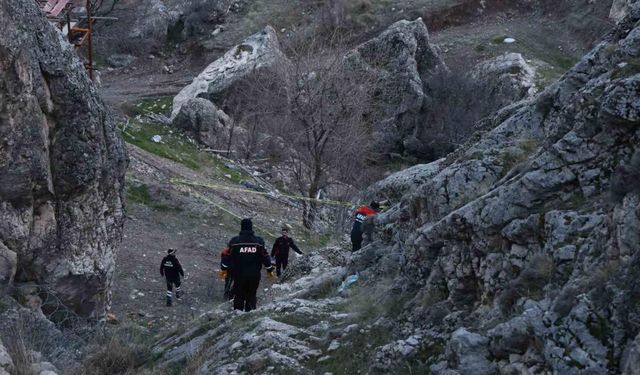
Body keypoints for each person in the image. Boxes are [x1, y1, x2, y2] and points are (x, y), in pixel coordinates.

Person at [228, 218, 275, 312]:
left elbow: (228, 256)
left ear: (241, 227)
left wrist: (225, 269)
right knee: (252, 295)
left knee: (239, 296)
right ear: (251, 227)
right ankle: (250, 315)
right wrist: (269, 269)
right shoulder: (259, 241)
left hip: (239, 274)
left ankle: (237, 317)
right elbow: (265, 256)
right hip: (254, 275)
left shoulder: (234, 242)